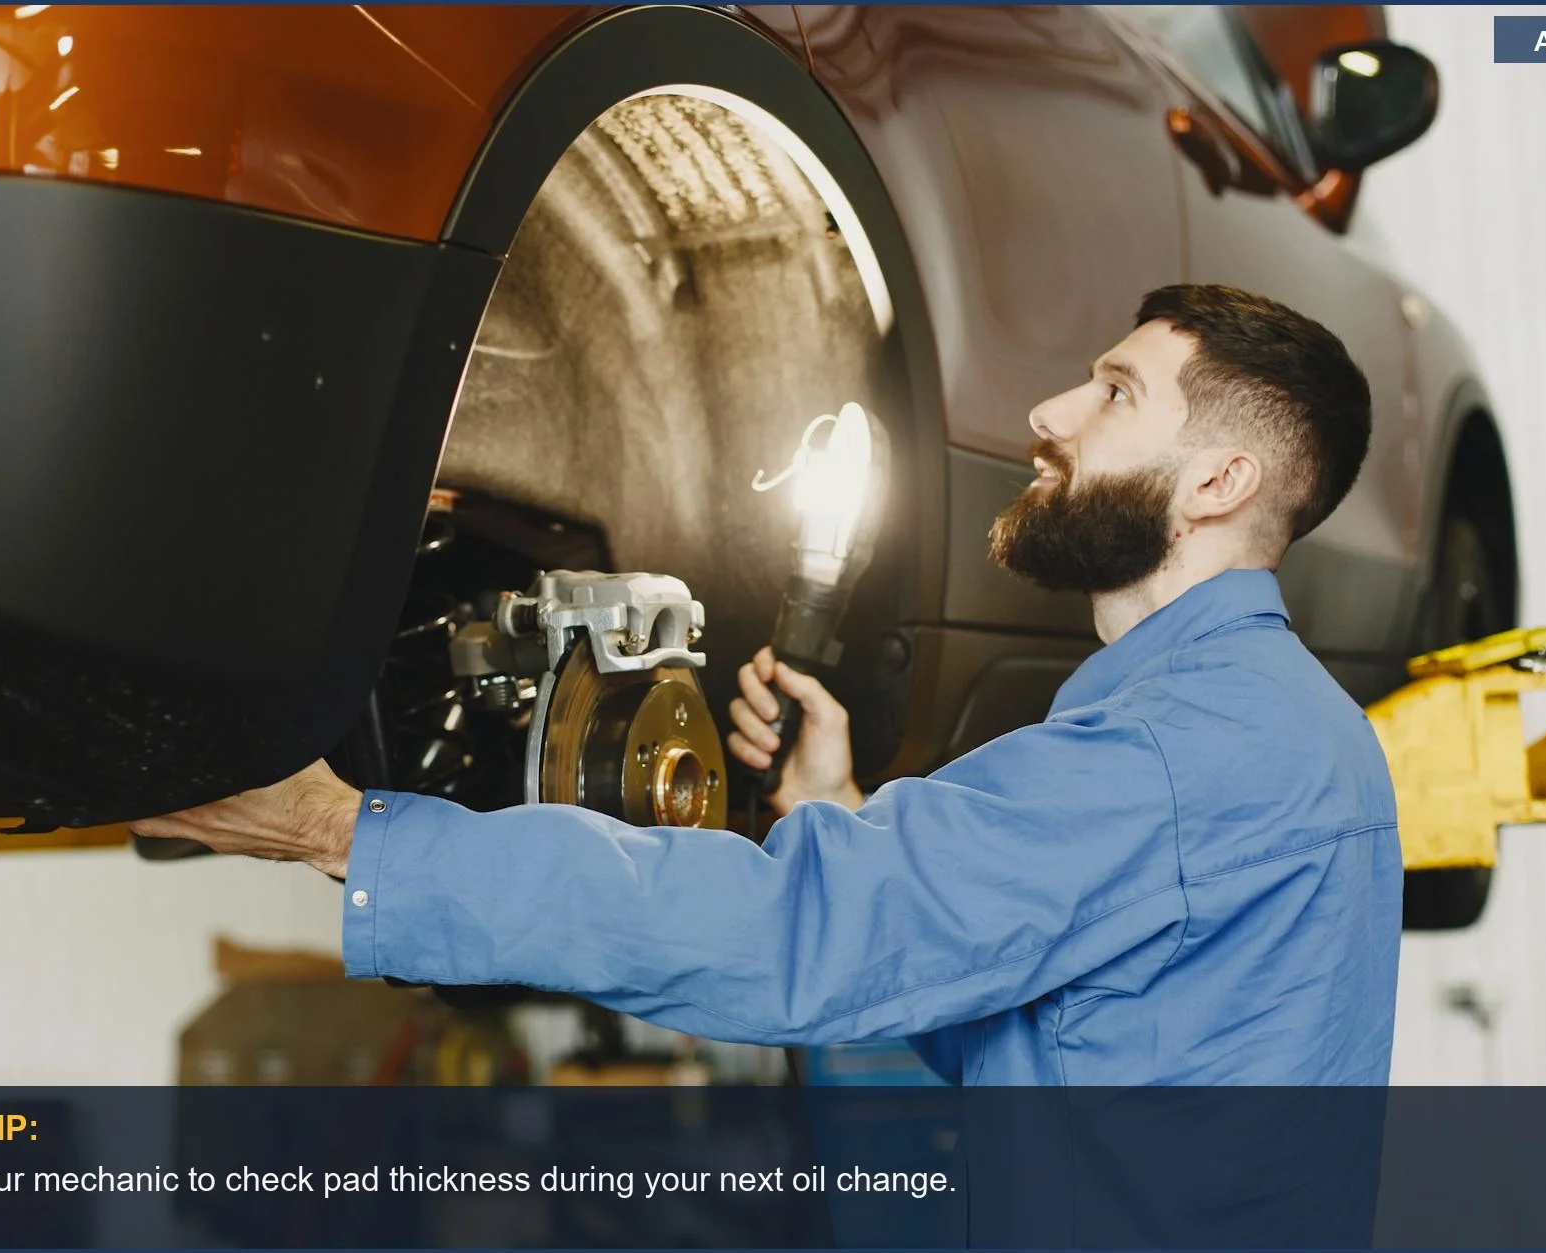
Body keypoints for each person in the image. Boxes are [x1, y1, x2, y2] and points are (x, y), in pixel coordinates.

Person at [133, 284, 1402, 1086]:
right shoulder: (1272, 732)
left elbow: (798, 939)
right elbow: (1017, 1023)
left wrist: (341, 832)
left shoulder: (1175, 755)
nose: (1050, 410)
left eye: (1115, 392)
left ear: (1218, 483)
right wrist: (837, 811)